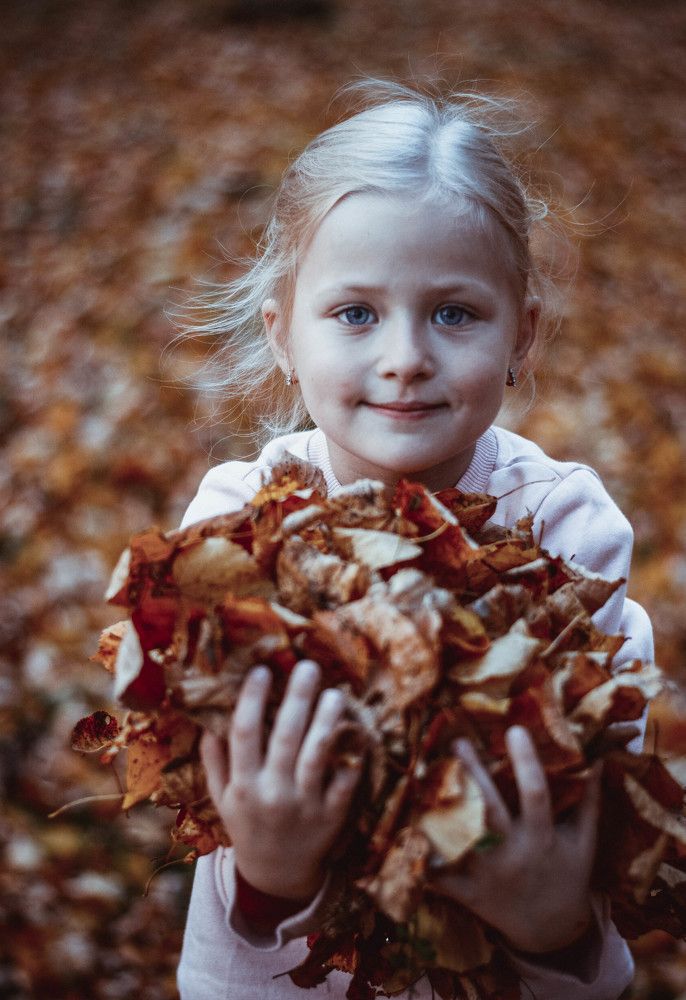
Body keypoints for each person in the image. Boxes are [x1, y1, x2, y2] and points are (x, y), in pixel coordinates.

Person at [175, 80, 654, 999]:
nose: (404, 355)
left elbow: (605, 768)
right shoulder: (234, 523)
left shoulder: (564, 529)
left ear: (523, 333)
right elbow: (174, 724)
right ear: (284, 337)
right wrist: (273, 871)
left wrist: (548, 919)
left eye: (455, 313)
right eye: (356, 313)